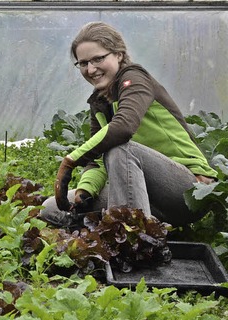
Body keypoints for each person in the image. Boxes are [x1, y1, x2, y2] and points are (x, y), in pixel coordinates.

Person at [40, 21, 217, 228]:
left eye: (98, 58)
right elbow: (95, 161)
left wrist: (70, 161)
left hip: (188, 190)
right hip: (144, 194)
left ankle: (134, 243)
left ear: (119, 54)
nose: (91, 69)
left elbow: (123, 128)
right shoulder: (100, 101)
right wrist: (85, 191)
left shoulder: (135, 79)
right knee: (51, 208)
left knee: (121, 149)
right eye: (83, 63)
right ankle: (140, 230)